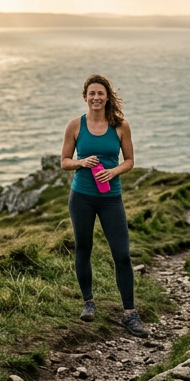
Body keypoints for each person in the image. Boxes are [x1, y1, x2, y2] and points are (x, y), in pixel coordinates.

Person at [60, 74, 147, 338]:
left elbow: (130, 160)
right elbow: (64, 161)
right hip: (82, 197)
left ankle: (130, 314)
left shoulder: (120, 126)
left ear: (107, 96)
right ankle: (88, 302)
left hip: (111, 198)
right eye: (91, 93)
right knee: (83, 248)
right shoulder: (75, 125)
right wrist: (81, 162)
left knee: (122, 254)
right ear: (85, 96)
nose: (96, 98)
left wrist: (113, 172)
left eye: (100, 93)